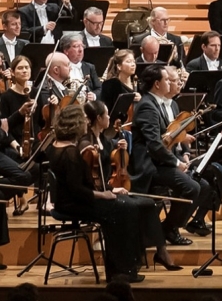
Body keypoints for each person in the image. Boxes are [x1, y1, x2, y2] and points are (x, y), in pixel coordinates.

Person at [46, 103, 179, 283]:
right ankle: (122, 271)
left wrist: (108, 190)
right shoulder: (71, 153)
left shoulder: (57, 146)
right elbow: (77, 190)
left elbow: (80, 185)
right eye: (83, 120)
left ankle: (123, 268)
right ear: (75, 124)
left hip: (72, 200)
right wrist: (104, 195)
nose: (86, 123)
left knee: (126, 206)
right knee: (124, 209)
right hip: (73, 204)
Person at [128, 65, 215, 244]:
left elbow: (173, 137)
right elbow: (154, 145)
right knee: (192, 187)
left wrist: (183, 155)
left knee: (203, 185)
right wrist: (176, 163)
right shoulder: (147, 106)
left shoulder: (167, 104)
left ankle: (168, 228)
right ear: (157, 84)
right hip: (151, 164)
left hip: (164, 161)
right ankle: (167, 229)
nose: (170, 83)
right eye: (167, 80)